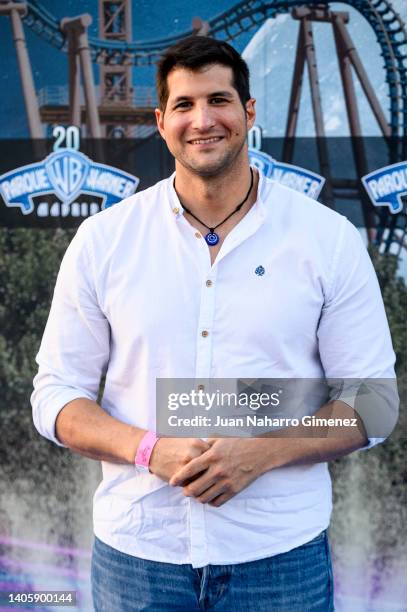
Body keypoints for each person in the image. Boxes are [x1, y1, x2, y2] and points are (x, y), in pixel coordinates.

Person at [31, 36, 397, 611]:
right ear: (161, 121)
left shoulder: (327, 240)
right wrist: (150, 449)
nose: (203, 120)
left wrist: (261, 453)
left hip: (281, 558)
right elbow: (55, 395)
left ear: (249, 112)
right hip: (137, 557)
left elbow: (374, 401)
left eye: (220, 100)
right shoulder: (104, 241)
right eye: (184, 105)